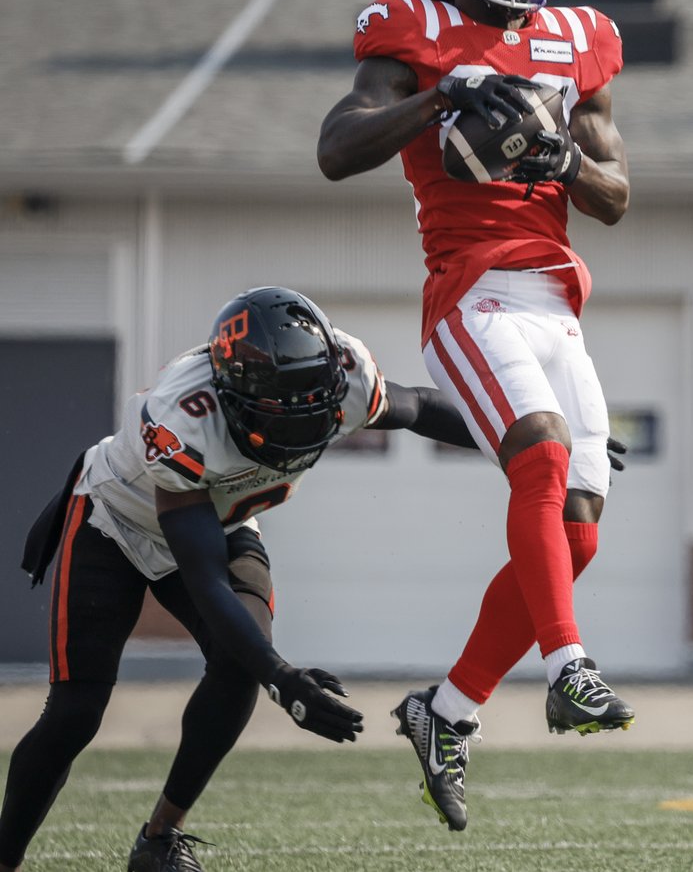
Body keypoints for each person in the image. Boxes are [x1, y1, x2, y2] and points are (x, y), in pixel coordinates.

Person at [316, 0, 633, 832]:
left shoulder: (581, 35)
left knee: (576, 526)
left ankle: (445, 708)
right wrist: (443, 95)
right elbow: (336, 148)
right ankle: (569, 666)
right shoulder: (413, 30)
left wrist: (559, 153)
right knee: (537, 458)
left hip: (555, 300)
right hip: (469, 288)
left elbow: (616, 195)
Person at [0, 287, 485, 872]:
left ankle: (159, 841)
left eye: (315, 400)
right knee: (77, 710)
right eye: (284, 405)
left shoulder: (346, 374)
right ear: (234, 394)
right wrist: (282, 677)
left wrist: (522, 445)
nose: (305, 417)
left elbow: (420, 407)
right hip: (118, 518)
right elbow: (206, 581)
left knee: (238, 670)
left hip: (225, 514)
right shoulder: (184, 416)